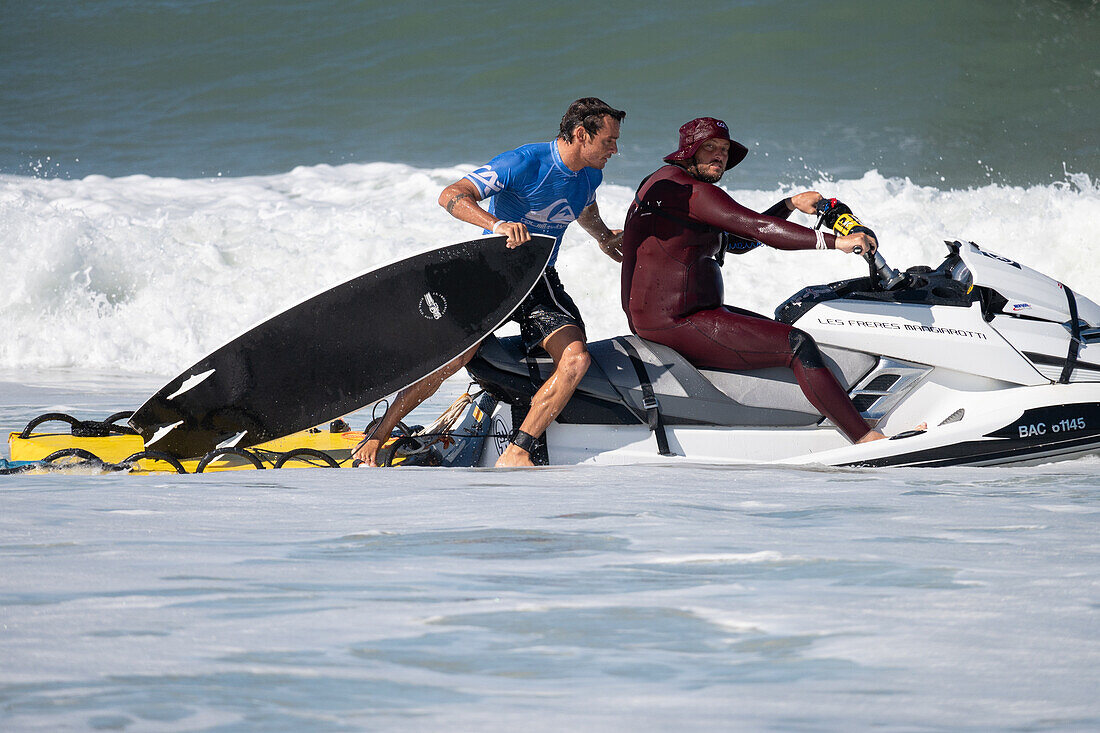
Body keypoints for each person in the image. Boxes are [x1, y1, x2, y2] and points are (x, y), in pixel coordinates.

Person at [354, 97, 626, 467]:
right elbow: (450, 195)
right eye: (608, 140)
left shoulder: (591, 173)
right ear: (581, 134)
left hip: (539, 278)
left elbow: (582, 207)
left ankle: (517, 452)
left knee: (576, 360)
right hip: (493, 275)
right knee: (457, 355)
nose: (615, 149)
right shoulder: (524, 162)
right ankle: (379, 434)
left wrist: (602, 238)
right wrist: (495, 225)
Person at [621, 117, 892, 444]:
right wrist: (837, 242)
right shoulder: (695, 193)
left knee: (778, 328)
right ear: (688, 152)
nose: (719, 156)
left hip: (668, 317)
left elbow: (739, 241)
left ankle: (815, 422)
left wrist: (790, 204)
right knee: (797, 345)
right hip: (677, 321)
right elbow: (759, 229)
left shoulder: (664, 183)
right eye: (710, 148)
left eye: (723, 150)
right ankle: (864, 437)